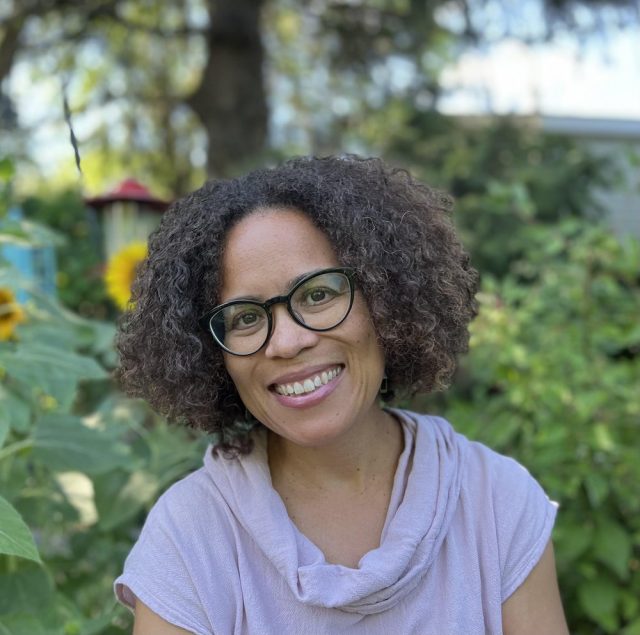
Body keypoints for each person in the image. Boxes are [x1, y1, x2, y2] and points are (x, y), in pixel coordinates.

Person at [114, 155, 569, 635]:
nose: (287, 342)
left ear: (385, 298)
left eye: (317, 294)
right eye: (245, 317)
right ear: (213, 354)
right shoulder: (188, 537)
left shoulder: (496, 502)